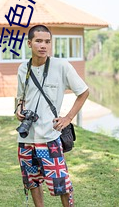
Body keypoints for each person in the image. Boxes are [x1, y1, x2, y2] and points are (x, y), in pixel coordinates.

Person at [15, 25, 89, 207]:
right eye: (39, 41)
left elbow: (84, 92)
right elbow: (20, 97)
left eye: (47, 41)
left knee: (62, 184)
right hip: (26, 138)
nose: (43, 46)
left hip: (50, 137)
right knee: (32, 181)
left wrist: (68, 118)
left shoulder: (61, 66)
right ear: (29, 43)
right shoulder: (23, 69)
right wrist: (18, 109)